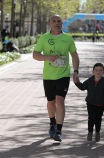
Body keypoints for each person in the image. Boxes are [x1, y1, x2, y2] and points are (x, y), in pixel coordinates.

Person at [33, 14, 79, 142]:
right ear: (49, 23)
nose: (56, 23)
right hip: (48, 76)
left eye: (59, 21)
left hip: (63, 75)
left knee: (60, 101)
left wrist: (76, 71)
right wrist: (47, 58)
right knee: (51, 102)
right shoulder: (44, 38)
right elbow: (35, 54)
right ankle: (52, 122)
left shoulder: (68, 39)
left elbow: (74, 55)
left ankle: (59, 130)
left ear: (62, 23)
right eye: (54, 21)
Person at [74, 63, 104, 142]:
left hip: (100, 104)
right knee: (91, 118)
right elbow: (82, 87)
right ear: (93, 72)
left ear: (103, 72)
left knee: (98, 119)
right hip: (90, 103)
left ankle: (97, 132)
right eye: (96, 70)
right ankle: (90, 132)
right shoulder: (89, 81)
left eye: (100, 70)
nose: (98, 72)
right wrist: (77, 83)